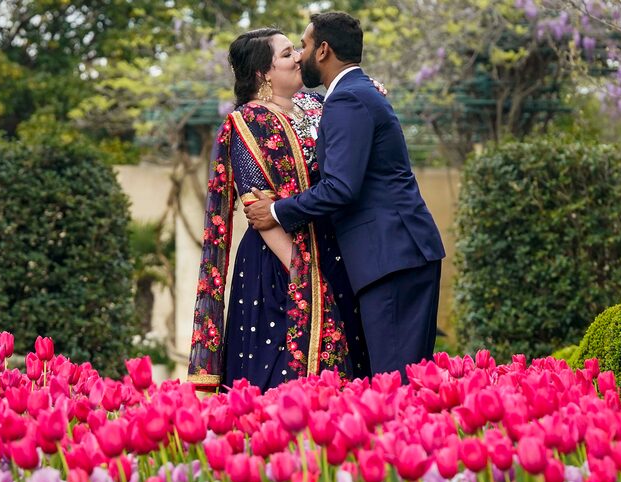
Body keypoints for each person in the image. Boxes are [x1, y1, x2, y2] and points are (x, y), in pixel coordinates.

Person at [245, 13, 445, 381]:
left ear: (323, 50)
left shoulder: (349, 99)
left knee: (395, 386)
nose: (300, 55)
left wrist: (275, 210)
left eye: (303, 46)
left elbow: (340, 188)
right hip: (395, 254)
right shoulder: (353, 93)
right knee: (401, 384)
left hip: (390, 256)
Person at [187, 28, 369, 392]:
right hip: (278, 268)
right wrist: (306, 276)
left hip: (336, 253)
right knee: (280, 379)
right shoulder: (247, 122)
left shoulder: (318, 105)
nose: (300, 57)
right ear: (263, 73)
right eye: (287, 54)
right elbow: (258, 209)